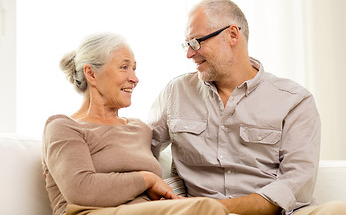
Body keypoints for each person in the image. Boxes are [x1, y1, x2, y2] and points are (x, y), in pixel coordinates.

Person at [148, 0, 346, 215]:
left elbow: (295, 184)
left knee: (337, 210)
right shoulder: (175, 92)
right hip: (199, 213)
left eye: (196, 42)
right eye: (187, 44)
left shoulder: (294, 100)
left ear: (232, 35)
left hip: (276, 213)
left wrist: (216, 208)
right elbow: (141, 147)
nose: (189, 53)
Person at [42, 32, 229, 215]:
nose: (134, 79)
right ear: (91, 74)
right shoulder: (63, 127)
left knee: (207, 207)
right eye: (124, 67)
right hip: (90, 211)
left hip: (143, 210)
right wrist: (147, 179)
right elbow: (81, 190)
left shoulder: (139, 129)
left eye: (134, 69)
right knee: (207, 209)